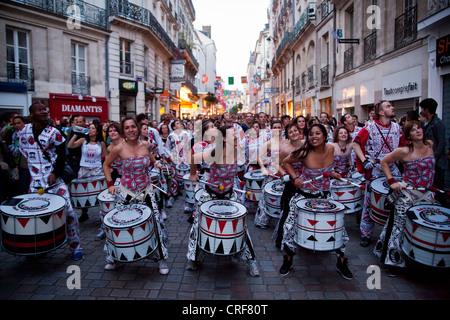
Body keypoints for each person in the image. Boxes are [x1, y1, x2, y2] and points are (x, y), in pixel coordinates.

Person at [280, 124, 353, 280]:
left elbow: (327, 169)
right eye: (311, 133)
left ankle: (341, 262)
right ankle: (288, 260)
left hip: (325, 197)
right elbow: (286, 162)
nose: (314, 136)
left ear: (325, 136)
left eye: (318, 133)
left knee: (339, 228)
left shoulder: (331, 149)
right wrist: (295, 178)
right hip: (304, 196)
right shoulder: (304, 153)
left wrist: (333, 173)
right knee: (290, 227)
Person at [186, 125, 260, 277]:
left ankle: (251, 260)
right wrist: (193, 174)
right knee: (198, 224)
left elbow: (241, 167)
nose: (237, 137)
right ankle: (193, 258)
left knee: (241, 226)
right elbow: (193, 157)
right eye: (234, 135)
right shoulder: (214, 152)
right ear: (224, 138)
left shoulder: (238, 151)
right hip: (210, 193)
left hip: (229, 193)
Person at [17, 101, 83, 260]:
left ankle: (76, 247)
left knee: (69, 213)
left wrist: (54, 172)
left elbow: (62, 155)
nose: (44, 111)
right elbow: (22, 150)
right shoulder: (24, 131)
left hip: (56, 181)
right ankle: (39, 248)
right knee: (34, 216)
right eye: (39, 110)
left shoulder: (54, 132)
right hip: (36, 183)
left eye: (44, 109)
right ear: (31, 114)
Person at [102, 117, 168, 273]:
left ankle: (160, 259)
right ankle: (114, 258)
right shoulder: (118, 148)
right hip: (126, 192)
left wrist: (156, 163)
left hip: (146, 190)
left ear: (138, 128)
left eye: (133, 127)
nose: (130, 130)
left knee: (155, 224)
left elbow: (150, 157)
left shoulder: (146, 145)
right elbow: (106, 165)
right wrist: (110, 185)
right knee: (118, 225)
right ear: (123, 131)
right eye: (126, 127)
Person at [374, 120, 436, 276]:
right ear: (408, 135)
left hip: (428, 193)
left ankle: (422, 259)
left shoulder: (430, 144)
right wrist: (392, 182)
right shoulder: (404, 151)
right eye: (413, 130)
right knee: (399, 226)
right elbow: (384, 162)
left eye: (419, 128)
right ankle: (393, 262)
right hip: (409, 192)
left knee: (430, 225)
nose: (418, 131)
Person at [353, 101, 405, 247]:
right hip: (375, 169)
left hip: (393, 170)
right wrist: (364, 161)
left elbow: (403, 147)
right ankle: (366, 234)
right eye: (388, 106)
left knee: (395, 200)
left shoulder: (397, 128)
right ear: (381, 112)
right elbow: (356, 144)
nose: (393, 107)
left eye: (391, 105)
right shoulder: (369, 127)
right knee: (369, 201)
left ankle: (392, 233)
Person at [68, 122, 107, 222]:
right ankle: (84, 212)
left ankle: (101, 213)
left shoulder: (101, 143)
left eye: (92, 128)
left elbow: (105, 156)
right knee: (83, 192)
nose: (90, 130)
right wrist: (77, 133)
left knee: (99, 193)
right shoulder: (83, 141)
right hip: (84, 170)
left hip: (97, 170)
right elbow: (70, 145)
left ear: (97, 131)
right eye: (89, 128)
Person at [419, 98, 447, 207]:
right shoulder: (428, 123)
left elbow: (442, 142)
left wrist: (433, 158)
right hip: (429, 163)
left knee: (438, 189)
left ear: (427, 109)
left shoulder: (437, 123)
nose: (421, 111)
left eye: (422, 108)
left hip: (437, 164)